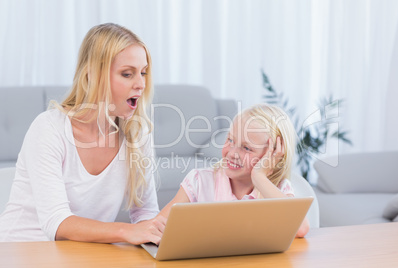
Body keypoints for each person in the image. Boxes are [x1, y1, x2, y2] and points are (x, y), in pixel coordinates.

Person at [0, 23, 166, 244]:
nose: (140, 84)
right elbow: (56, 222)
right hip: (22, 251)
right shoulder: (49, 128)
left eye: (143, 73)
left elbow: (145, 213)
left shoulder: (138, 133)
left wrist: (154, 235)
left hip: (82, 254)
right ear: (92, 75)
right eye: (127, 74)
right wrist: (125, 232)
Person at [159, 103, 310, 238]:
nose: (232, 153)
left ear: (274, 155)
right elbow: (158, 226)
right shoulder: (200, 181)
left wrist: (259, 178)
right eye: (230, 140)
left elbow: (301, 228)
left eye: (246, 148)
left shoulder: (276, 188)